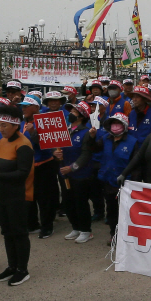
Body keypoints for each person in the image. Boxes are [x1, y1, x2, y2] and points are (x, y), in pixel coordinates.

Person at [0, 105, 34, 286]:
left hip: (19, 196)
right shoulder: (2, 142)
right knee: (7, 232)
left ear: (15, 126)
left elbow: (22, 174)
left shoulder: (24, 145)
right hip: (3, 194)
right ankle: (12, 266)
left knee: (19, 233)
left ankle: (22, 269)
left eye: (5, 125)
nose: (1, 129)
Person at [72, 112, 140, 245]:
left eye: (118, 124)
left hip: (125, 183)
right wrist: (91, 138)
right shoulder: (104, 139)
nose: (115, 127)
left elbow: (136, 164)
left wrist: (134, 182)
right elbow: (94, 149)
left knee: (126, 212)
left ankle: (128, 237)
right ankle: (114, 235)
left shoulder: (133, 142)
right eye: (113, 124)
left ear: (124, 125)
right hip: (108, 181)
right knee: (112, 211)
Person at [55, 101, 97, 244]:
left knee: (81, 203)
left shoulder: (87, 132)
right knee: (68, 202)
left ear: (81, 116)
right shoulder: (65, 130)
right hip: (65, 174)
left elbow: (85, 155)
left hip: (81, 175)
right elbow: (58, 149)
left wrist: (72, 167)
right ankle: (76, 227)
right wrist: (57, 154)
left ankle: (86, 230)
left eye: (73, 112)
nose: (70, 114)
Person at [19, 95, 60, 239]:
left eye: (26, 106)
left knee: (44, 199)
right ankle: (32, 224)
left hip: (44, 165)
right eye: (22, 106)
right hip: (28, 166)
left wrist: (33, 133)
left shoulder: (45, 121)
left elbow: (46, 143)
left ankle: (47, 226)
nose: (23, 108)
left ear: (36, 107)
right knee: (29, 197)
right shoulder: (22, 123)